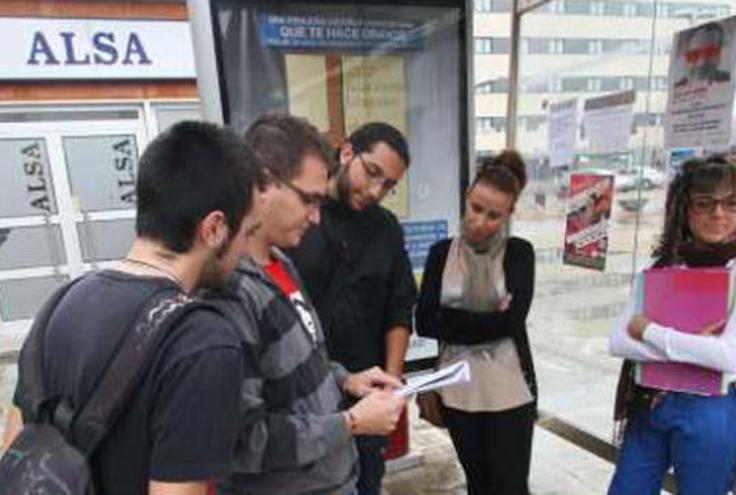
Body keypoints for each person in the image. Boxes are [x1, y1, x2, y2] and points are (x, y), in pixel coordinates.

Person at [0, 121, 265, 495]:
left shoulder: (62, 302)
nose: (246, 252)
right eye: (248, 233)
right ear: (215, 228)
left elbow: (15, 450)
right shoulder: (203, 341)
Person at [220, 113, 406, 495]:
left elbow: (306, 362)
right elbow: (243, 441)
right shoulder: (231, 291)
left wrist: (345, 379)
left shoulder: (281, 263)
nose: (316, 217)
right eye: (309, 200)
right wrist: (350, 423)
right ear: (263, 183)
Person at [608, 155, 736, 495]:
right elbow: (618, 340)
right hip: (651, 402)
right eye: (704, 203)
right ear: (685, 208)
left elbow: (730, 357)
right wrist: (696, 345)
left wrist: (651, 331)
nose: (718, 213)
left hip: (711, 410)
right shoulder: (666, 261)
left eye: (731, 203)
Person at [288, 122, 418, 495]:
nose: (377, 191)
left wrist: (391, 385)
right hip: (308, 401)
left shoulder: (386, 228)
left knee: (367, 484)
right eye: (372, 173)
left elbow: (399, 305)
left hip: (368, 395)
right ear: (346, 153)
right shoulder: (301, 221)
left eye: (389, 186)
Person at [415, 151, 538, 495]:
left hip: (511, 390)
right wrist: (489, 319)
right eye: (476, 208)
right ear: (467, 198)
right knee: (478, 485)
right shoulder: (442, 252)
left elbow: (511, 323)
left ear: (508, 215)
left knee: (510, 486)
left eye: (493, 215)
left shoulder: (518, 253)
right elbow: (425, 322)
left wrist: (452, 319)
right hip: (457, 390)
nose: (480, 221)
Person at [674, 22, 731, 88]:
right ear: (684, 58)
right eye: (694, 55)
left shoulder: (730, 80)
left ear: (720, 54)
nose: (701, 62)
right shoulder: (676, 88)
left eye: (710, 53)